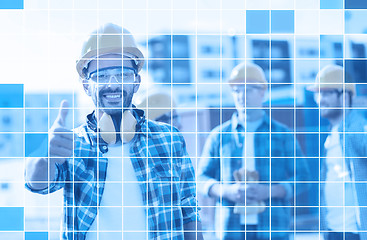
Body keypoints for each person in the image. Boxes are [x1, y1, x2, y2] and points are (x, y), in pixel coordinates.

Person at [25, 23, 202, 240]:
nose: (113, 84)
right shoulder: (73, 144)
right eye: (101, 75)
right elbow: (36, 184)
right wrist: (47, 155)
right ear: (86, 85)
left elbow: (189, 208)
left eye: (123, 74)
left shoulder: (169, 139)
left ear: (136, 82)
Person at [198, 62, 310, 240]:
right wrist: (226, 191)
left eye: (248, 89)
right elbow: (200, 178)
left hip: (273, 227)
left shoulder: (282, 135)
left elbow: (303, 177)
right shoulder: (218, 136)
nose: (242, 96)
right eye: (236, 90)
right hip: (230, 229)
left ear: (262, 93)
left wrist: (270, 191)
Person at [308, 64, 367, 240]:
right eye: (317, 93)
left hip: (354, 232)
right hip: (334, 230)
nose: (319, 99)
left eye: (326, 93)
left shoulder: (357, 127)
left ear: (344, 96)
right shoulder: (332, 133)